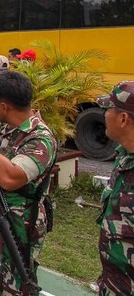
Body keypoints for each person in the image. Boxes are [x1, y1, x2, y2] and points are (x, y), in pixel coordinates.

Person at [0, 70, 57, 295]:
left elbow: (9, 178)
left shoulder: (40, 138)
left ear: (4, 106)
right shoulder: (10, 130)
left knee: (16, 285)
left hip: (20, 226)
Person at [95, 81, 134, 296]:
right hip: (115, 281)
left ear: (123, 118)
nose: (104, 115)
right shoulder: (124, 156)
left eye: (107, 109)